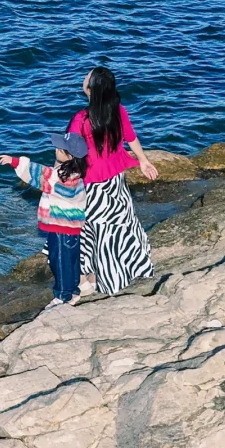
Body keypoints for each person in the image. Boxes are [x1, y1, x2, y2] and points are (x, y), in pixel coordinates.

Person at [68, 66, 159, 296]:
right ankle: (121, 269)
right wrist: (143, 161)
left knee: (88, 230)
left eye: (87, 76)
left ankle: (88, 279)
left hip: (91, 184)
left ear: (91, 88)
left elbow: (70, 154)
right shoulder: (118, 111)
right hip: (115, 180)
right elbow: (131, 137)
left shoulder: (81, 119)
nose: (84, 77)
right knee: (119, 226)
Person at [0, 131, 88, 307]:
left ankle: (63, 296)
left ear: (68, 155)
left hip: (61, 227)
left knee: (59, 261)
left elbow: (39, 174)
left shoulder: (61, 178)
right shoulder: (76, 173)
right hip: (73, 227)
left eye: (59, 148)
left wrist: (15, 162)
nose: (56, 149)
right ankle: (74, 290)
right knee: (71, 259)